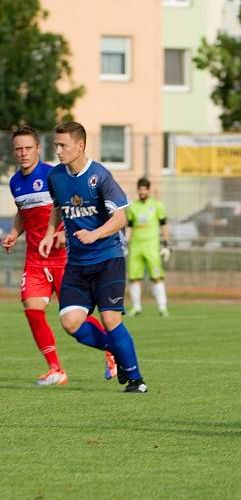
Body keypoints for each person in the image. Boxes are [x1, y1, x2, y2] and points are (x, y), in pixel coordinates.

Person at [39, 121, 148, 393]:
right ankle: (117, 353)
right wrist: (50, 233)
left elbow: (120, 218)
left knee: (111, 320)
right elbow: (57, 207)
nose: (59, 150)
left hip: (108, 259)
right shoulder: (56, 177)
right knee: (70, 321)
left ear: (80, 145)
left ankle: (136, 380)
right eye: (56, 145)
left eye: (63, 145)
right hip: (77, 263)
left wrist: (95, 233)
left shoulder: (99, 176)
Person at [3, 126, 116, 385]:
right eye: (18, 148)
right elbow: (24, 212)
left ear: (38, 149)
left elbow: (74, 207)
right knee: (32, 309)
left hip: (65, 259)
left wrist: (65, 234)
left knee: (77, 317)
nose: (23, 153)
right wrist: (13, 233)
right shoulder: (15, 182)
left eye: (28, 148)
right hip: (35, 259)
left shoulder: (55, 175)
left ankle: (112, 349)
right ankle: (56, 369)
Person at [125, 177, 170, 317]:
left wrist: (167, 243)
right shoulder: (132, 206)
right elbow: (130, 227)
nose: (142, 192)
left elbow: (164, 225)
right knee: (133, 277)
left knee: (156, 277)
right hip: (136, 247)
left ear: (148, 190)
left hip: (151, 247)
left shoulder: (157, 205)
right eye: (140, 189)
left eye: (144, 189)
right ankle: (136, 307)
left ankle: (162, 307)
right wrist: (125, 243)